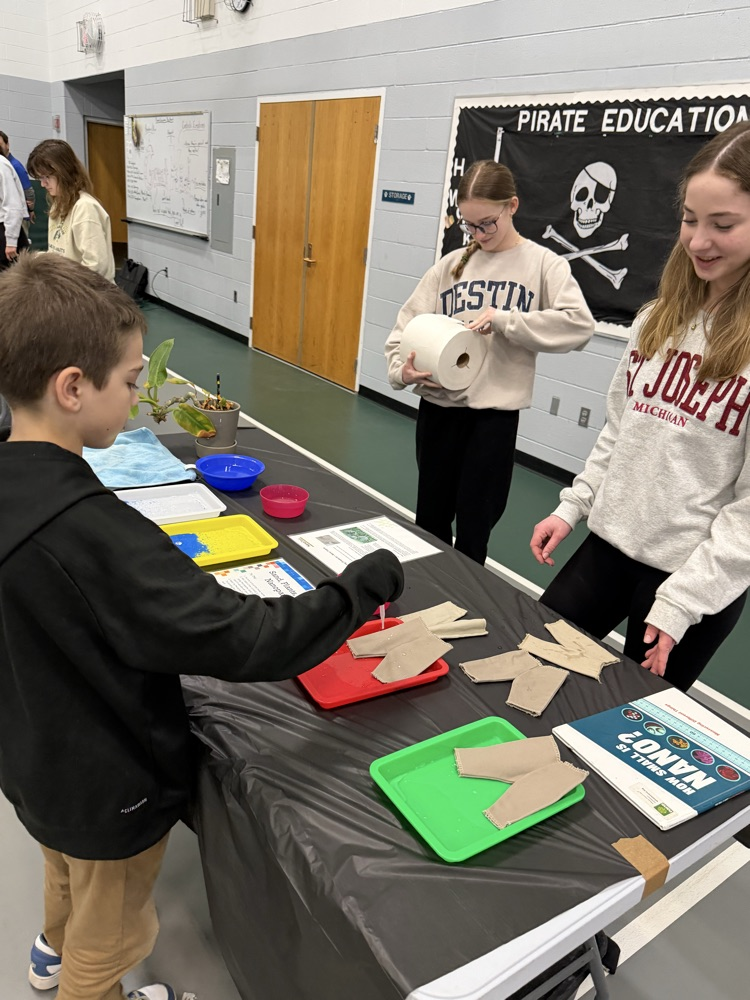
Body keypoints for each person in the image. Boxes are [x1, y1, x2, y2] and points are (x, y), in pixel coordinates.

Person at [0, 254, 403, 1000]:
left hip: (35, 765)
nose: (134, 397)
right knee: (108, 938)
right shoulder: (92, 534)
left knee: (65, 875)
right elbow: (247, 637)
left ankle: (51, 951)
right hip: (108, 783)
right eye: (127, 382)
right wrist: (359, 588)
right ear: (72, 387)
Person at [530, 120, 750, 693]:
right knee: (530, 666)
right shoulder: (656, 318)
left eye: (723, 224)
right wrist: (571, 506)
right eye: (690, 219)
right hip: (608, 546)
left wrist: (680, 605)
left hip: (691, 577)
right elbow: (620, 430)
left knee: (627, 727)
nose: (698, 241)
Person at [384, 159, 595, 565]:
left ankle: (464, 603)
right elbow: (402, 332)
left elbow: (577, 326)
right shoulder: (450, 266)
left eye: (487, 224)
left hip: (492, 422)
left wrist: (506, 320)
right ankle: (428, 601)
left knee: (475, 529)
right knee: (430, 520)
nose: (478, 235)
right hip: (439, 414)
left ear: (512, 206)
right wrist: (402, 371)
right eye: (469, 226)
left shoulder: (543, 265)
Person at [27, 138, 115, 280]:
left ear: (63, 172)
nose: (43, 184)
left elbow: (96, 266)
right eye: (40, 178)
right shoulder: (58, 204)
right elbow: (61, 253)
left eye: (47, 177)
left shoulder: (85, 207)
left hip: (92, 294)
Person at [0, 129, 35, 234]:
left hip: (17, 218)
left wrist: (31, 209)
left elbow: (29, 191)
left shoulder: (15, 166)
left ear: (7, 145)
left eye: (0, 144)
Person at [0, 151, 29, 268]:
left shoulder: (1, 165)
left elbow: (13, 205)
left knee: (13, 282)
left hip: (5, 233)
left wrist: (11, 241)